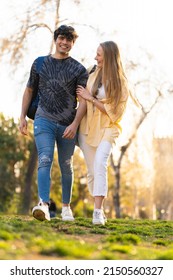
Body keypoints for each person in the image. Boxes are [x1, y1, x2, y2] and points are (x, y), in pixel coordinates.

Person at [19, 25, 88, 222]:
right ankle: (44, 205)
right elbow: (29, 90)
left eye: (69, 40)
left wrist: (75, 125)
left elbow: (82, 101)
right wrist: (22, 116)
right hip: (43, 120)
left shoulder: (79, 69)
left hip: (67, 125)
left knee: (66, 165)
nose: (64, 43)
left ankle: (66, 207)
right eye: (61, 38)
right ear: (55, 39)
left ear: (73, 44)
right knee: (45, 159)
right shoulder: (39, 63)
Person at [77, 41, 129, 225]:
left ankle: (97, 212)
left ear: (108, 56)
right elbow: (81, 99)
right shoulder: (92, 72)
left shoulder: (121, 82)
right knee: (92, 171)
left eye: (99, 54)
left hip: (109, 127)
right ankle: (98, 207)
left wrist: (90, 97)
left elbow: (113, 111)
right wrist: (75, 123)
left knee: (100, 163)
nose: (95, 57)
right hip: (88, 126)